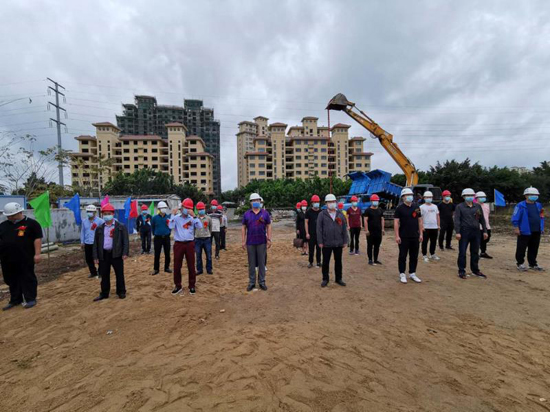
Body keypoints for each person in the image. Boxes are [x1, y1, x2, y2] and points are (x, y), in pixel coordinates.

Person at [0, 202, 42, 310]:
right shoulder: (3, 226)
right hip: (7, 258)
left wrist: (37, 254)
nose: (10, 217)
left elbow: (37, 239)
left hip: (25, 257)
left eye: (12, 215)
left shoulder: (32, 224)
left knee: (27, 277)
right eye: (8, 216)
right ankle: (15, 299)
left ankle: (30, 298)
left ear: (19, 212)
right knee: (11, 279)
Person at [92, 203, 129, 301]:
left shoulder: (120, 227)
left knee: (119, 274)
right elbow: (95, 243)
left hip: (116, 254)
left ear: (113, 214)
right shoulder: (99, 228)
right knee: (104, 275)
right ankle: (104, 293)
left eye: (109, 213)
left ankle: (121, 291)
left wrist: (125, 253)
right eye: (105, 214)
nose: (106, 215)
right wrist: (95, 256)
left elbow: (125, 241)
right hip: (103, 255)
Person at [169, 198, 202, 295]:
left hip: (189, 244)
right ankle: (178, 286)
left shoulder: (192, 219)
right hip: (178, 244)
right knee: (177, 266)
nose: (187, 210)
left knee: (191, 266)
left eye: (189, 208)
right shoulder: (176, 218)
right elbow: (170, 226)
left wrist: (194, 216)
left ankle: (192, 286)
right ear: (182, 207)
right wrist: (172, 214)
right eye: (185, 208)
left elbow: (200, 226)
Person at [455, 188, 488, 279]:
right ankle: (461, 271)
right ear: (463, 197)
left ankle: (475, 270)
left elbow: (481, 219)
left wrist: (485, 231)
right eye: (467, 195)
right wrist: (457, 232)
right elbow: (457, 220)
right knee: (462, 252)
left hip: (476, 232)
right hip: (464, 232)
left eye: (471, 195)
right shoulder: (459, 207)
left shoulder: (477, 206)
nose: (470, 197)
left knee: (475, 252)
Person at [317, 194, 349, 288]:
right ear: (326, 203)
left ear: (336, 202)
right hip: (326, 243)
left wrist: (345, 241)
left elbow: (344, 228)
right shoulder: (322, 215)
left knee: (338, 261)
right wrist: (320, 241)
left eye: (333, 202)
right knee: (325, 262)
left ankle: (338, 278)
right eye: (329, 202)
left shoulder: (340, 214)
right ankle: (325, 279)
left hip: (338, 243)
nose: (331, 203)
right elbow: (319, 229)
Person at [242, 193, 272, 291]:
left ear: (260, 201)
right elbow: (243, 227)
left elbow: (269, 226)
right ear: (250, 202)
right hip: (250, 242)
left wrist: (269, 239)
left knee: (262, 263)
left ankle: (262, 282)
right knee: (251, 263)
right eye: (254, 200)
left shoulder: (265, 213)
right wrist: (243, 240)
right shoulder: (247, 214)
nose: (256, 202)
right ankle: (251, 282)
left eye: (257, 200)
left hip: (262, 241)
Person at [394, 188, 423, 284]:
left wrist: (421, 234)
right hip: (403, 236)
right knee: (403, 255)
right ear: (403, 197)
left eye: (411, 195)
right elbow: (396, 222)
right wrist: (397, 236)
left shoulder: (416, 207)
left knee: (414, 256)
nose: (410, 197)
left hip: (415, 236)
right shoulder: (399, 208)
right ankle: (402, 273)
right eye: (408, 195)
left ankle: (412, 273)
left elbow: (420, 220)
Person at [512, 187, 545, 271]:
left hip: (536, 230)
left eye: (536, 195)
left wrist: (541, 227)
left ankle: (533, 263)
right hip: (524, 230)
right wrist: (516, 227)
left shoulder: (539, 205)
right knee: (521, 247)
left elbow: (541, 217)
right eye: (532, 194)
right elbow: (515, 217)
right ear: (526, 195)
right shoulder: (520, 205)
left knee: (534, 248)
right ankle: (520, 263)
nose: (534, 196)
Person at [80, 204, 104, 278]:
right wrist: (82, 242)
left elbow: (103, 232)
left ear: (95, 212)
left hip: (97, 243)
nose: (89, 213)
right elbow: (82, 232)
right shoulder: (84, 221)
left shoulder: (100, 221)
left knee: (99, 258)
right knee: (89, 259)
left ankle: (101, 272)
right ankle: (93, 272)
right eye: (88, 211)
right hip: (87, 243)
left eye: (91, 211)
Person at [151, 201, 172, 275]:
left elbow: (170, 227)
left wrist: (168, 232)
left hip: (166, 237)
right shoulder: (154, 218)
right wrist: (155, 233)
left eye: (165, 208)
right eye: (162, 208)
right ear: (159, 209)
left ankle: (167, 267)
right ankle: (156, 269)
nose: (164, 209)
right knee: (157, 254)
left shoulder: (168, 217)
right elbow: (152, 227)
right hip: (158, 238)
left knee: (167, 253)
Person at [362, 194, 384, 265]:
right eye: (374, 200)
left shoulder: (380, 210)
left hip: (378, 231)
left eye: (376, 201)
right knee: (370, 246)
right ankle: (370, 259)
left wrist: (382, 229)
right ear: (371, 201)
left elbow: (382, 219)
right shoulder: (368, 210)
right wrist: (366, 230)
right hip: (370, 232)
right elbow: (365, 220)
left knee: (377, 246)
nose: (375, 202)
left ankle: (376, 259)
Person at [420, 191, 440, 263]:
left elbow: (437, 216)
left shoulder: (435, 206)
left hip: (434, 227)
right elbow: (420, 218)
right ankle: (424, 255)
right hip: (425, 227)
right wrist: (422, 227)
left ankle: (432, 254)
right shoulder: (421, 207)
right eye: (427, 197)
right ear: (424, 198)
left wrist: (438, 225)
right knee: (425, 242)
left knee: (433, 241)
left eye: (430, 197)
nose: (429, 198)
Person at [194, 202, 213, 275]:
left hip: (206, 239)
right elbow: (193, 229)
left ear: (204, 209)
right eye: (200, 209)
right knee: (198, 255)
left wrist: (208, 235)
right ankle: (199, 270)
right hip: (198, 239)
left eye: (202, 209)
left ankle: (209, 269)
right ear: (197, 210)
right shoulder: (195, 219)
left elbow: (210, 228)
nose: (201, 210)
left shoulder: (208, 218)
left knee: (208, 255)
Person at [305, 195, 322, 268]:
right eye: (315, 202)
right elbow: (306, 222)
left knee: (319, 249)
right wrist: (307, 233)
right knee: (311, 249)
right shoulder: (308, 212)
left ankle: (318, 262)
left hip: (319, 234)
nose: (316, 203)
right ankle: (310, 262)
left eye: (317, 202)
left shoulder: (321, 212)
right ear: (312, 203)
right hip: (311, 234)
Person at [476, 191, 493, 259]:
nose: (482, 198)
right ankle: (476, 253)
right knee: (478, 240)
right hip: (478, 226)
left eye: (483, 197)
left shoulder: (487, 206)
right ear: (477, 198)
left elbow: (487, 215)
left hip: (486, 226)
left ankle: (483, 252)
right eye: (481, 197)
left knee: (486, 239)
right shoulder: (475, 206)